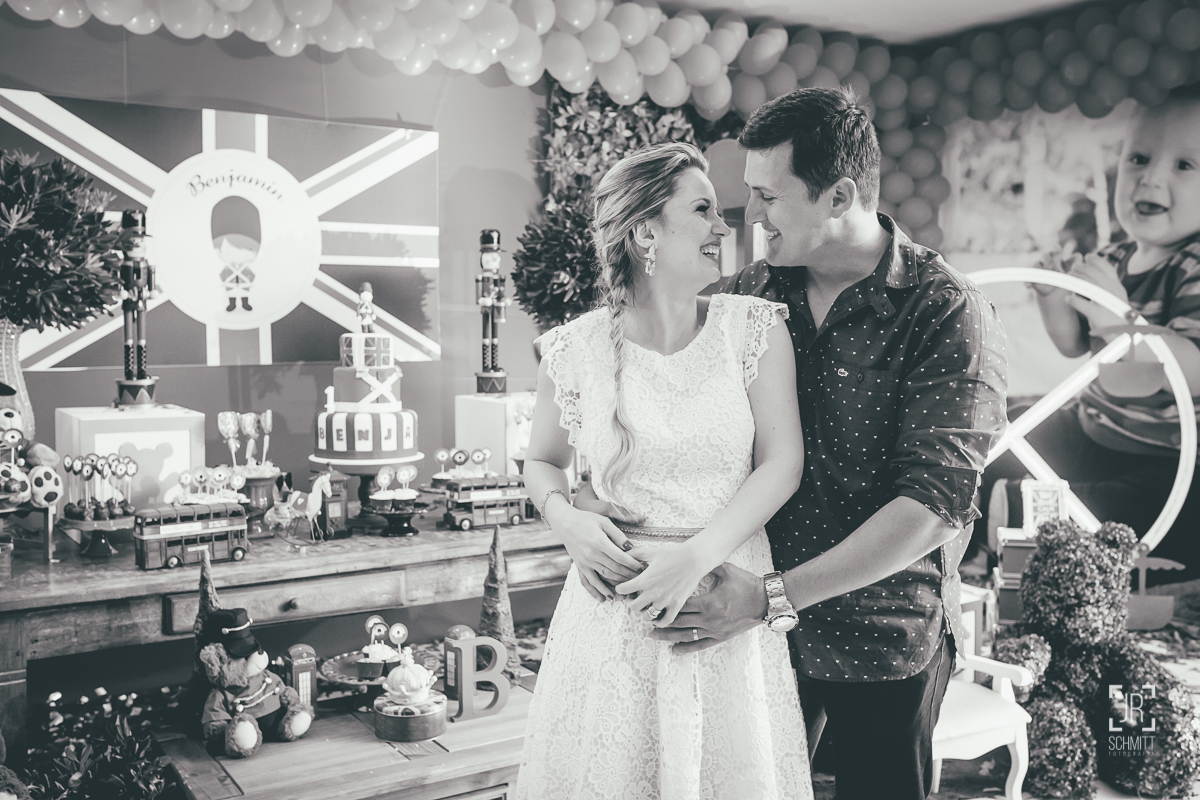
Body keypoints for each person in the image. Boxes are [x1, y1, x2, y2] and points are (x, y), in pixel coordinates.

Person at [578, 88, 1008, 800]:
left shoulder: (945, 310)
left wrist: (769, 597)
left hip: (880, 638)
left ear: (838, 196)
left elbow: (933, 507)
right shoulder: (747, 296)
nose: (748, 215)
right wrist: (586, 505)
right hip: (746, 635)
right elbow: (657, 408)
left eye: (768, 196)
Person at [512, 141, 813, 800]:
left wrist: (697, 556)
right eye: (702, 210)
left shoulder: (753, 330)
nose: (722, 227)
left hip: (721, 607)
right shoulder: (574, 348)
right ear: (646, 230)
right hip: (611, 619)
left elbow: (783, 462)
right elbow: (540, 462)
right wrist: (567, 522)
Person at [983, 88, 1200, 584]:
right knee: (1002, 426)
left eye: (1184, 165)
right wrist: (1051, 296)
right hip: (1092, 427)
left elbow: (1191, 370)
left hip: (1166, 457)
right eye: (1138, 159)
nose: (1151, 178)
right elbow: (1074, 344)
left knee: (1144, 514)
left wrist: (1118, 314)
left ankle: (1018, 515)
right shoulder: (1113, 257)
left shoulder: (1193, 267)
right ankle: (978, 499)